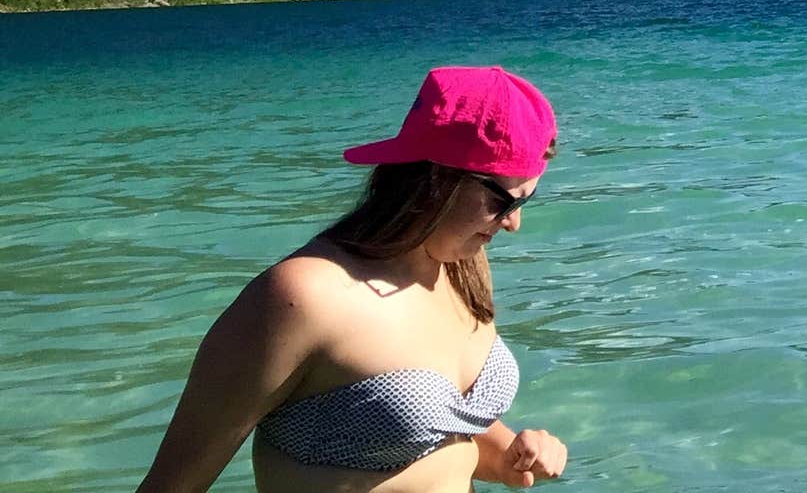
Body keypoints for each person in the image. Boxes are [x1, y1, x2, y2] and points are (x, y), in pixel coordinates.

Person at [135, 65, 571, 492]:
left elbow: (446, 436)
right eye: (504, 203)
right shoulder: (304, 297)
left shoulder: (463, 267)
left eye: (525, 201)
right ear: (438, 178)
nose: (513, 223)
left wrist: (510, 456)